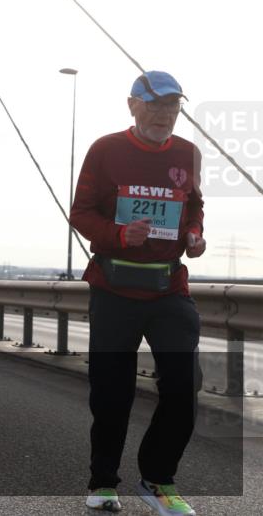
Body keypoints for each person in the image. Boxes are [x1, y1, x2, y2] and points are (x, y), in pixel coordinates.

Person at [70, 71, 205, 516]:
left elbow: (194, 205)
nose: (164, 114)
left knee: (185, 385)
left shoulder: (188, 153)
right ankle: (103, 481)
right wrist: (116, 234)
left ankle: (158, 479)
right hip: (114, 287)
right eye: (155, 104)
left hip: (169, 287)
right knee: (112, 392)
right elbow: (81, 212)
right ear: (132, 105)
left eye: (172, 106)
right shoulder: (105, 149)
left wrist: (194, 235)